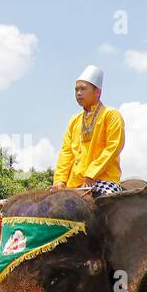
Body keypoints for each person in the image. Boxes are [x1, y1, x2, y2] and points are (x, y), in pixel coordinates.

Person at [53, 64, 125, 196]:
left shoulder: (110, 114)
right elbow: (66, 152)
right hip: (74, 184)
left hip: (103, 181)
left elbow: (113, 147)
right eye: (76, 90)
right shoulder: (74, 120)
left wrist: (91, 173)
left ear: (98, 92)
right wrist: (60, 180)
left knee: (106, 208)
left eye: (83, 89)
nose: (79, 93)